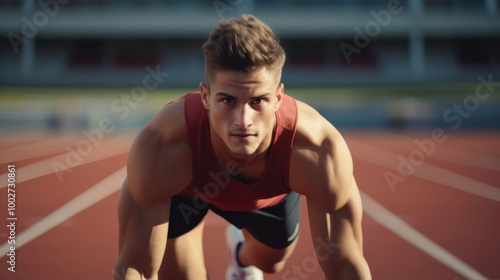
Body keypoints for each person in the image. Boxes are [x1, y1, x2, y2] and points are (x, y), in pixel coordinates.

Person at [114, 14, 371, 280]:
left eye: (258, 101)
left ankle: (241, 256)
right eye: (227, 101)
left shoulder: (318, 151)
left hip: (267, 198)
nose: (243, 121)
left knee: (271, 262)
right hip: (187, 192)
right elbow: (137, 268)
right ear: (205, 97)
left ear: (279, 98)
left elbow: (346, 266)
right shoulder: (164, 147)